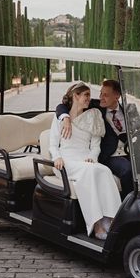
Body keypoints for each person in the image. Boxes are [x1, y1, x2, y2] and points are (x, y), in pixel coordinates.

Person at [56, 79, 140, 198]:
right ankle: (128, 206)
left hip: (130, 154)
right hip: (108, 156)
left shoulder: (129, 110)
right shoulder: (95, 107)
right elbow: (63, 105)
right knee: (127, 170)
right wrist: (65, 117)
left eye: (105, 95)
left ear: (117, 96)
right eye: (101, 93)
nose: (101, 97)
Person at [49, 82, 122, 240]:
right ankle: (96, 224)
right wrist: (57, 157)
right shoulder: (61, 117)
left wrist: (93, 157)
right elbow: (53, 144)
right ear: (76, 96)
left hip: (85, 158)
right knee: (89, 171)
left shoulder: (94, 115)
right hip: (65, 160)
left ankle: (111, 219)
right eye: (86, 95)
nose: (90, 98)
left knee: (104, 170)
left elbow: (95, 146)